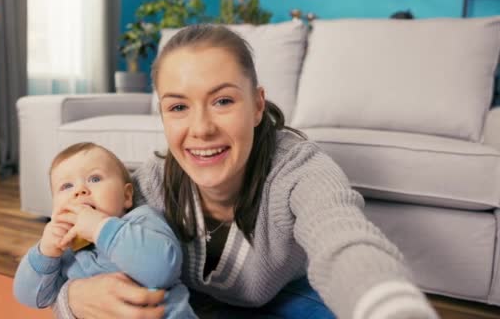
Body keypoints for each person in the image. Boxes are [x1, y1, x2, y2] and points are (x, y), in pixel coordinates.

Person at [53, 24, 439, 319]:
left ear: (257, 106)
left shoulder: (300, 170)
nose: (201, 129)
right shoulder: (148, 184)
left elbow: (345, 241)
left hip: (286, 299)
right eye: (178, 107)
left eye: (222, 100)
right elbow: (69, 261)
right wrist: (72, 298)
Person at [13, 142, 196, 318]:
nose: (80, 190)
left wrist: (99, 228)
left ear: (126, 196)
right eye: (66, 186)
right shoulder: (63, 249)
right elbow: (29, 297)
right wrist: (45, 252)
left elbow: (162, 269)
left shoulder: (141, 220)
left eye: (94, 178)